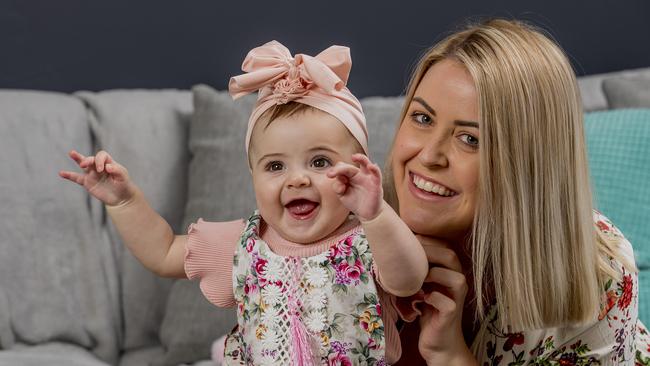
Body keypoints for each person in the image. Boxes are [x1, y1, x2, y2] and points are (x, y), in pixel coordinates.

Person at [59, 40, 429, 365]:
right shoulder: (244, 245)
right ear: (252, 176)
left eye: (320, 162)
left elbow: (409, 277)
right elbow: (164, 251)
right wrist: (124, 202)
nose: (297, 179)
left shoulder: (369, 240)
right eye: (275, 165)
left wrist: (377, 214)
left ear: (356, 171)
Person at [382, 18, 650, 365]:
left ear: (527, 165)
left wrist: (449, 355)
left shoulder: (598, 271)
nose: (429, 156)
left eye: (470, 139)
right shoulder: (339, 232)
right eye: (422, 119)